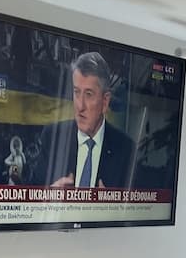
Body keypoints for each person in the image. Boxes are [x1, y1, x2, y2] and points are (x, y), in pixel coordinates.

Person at [37, 52, 135, 188]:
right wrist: (50, 195)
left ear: (105, 101)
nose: (80, 106)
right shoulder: (53, 137)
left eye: (89, 94)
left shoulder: (125, 149)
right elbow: (28, 196)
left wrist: (112, 201)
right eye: (77, 92)